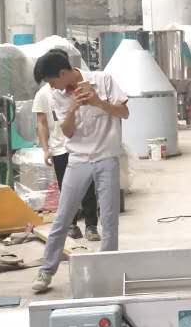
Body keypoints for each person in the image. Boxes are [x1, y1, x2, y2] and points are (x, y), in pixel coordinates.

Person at [31, 49, 129, 295]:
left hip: (106, 157)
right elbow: (67, 132)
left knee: (109, 219)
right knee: (63, 216)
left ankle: (106, 271)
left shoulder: (103, 80)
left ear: (63, 73)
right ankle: (46, 270)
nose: (51, 86)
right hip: (78, 159)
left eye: (52, 80)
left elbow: (124, 113)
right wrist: (73, 108)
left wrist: (98, 102)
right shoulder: (57, 95)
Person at [33, 74, 99, 243]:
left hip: (81, 145)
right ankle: (71, 225)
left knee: (88, 186)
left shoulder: (75, 88)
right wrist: (45, 149)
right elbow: (41, 122)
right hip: (59, 148)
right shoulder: (42, 95)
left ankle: (91, 226)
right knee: (66, 189)